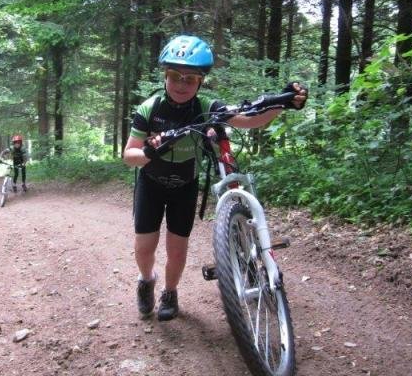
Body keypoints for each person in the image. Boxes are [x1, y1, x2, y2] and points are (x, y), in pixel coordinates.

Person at [123, 35, 307, 321]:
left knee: (177, 249)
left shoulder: (207, 107)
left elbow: (248, 119)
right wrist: (150, 150)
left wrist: (281, 104)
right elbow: (128, 156)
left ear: (201, 82)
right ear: (165, 76)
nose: (181, 84)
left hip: (185, 184)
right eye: (175, 76)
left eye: (190, 79)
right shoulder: (150, 108)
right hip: (151, 183)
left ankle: (170, 292)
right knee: (144, 248)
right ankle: (146, 280)